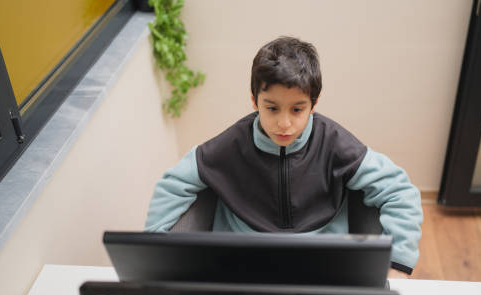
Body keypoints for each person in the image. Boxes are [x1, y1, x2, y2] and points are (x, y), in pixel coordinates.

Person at [145, 36, 422, 278]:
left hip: (323, 265)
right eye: (272, 108)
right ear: (254, 101)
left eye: (297, 109)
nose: (284, 124)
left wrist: (399, 262)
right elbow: (172, 185)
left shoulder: (336, 143)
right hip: (242, 263)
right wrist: (151, 253)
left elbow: (399, 190)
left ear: (314, 102)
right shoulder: (230, 144)